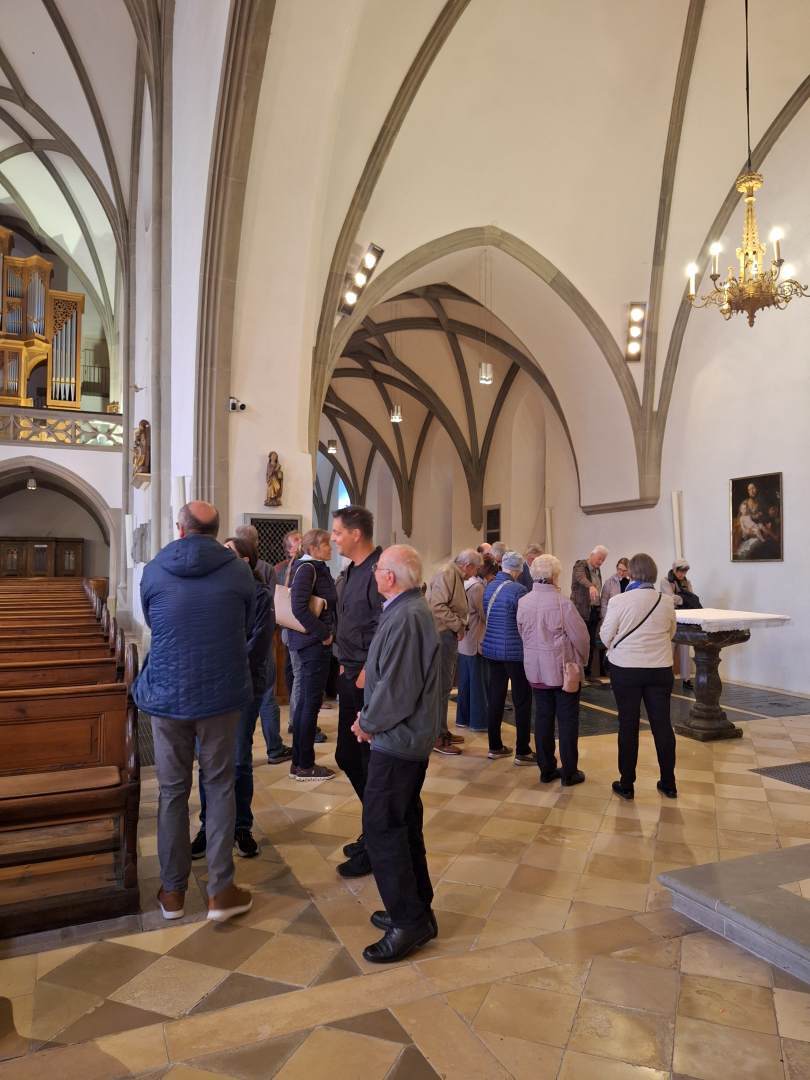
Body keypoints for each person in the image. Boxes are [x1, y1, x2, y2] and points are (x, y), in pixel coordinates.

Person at [133, 501, 254, 923]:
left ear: (180, 529)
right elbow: (245, 621)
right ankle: (221, 892)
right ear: (217, 531)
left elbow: (153, 620)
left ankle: (172, 892)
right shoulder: (238, 571)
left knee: (171, 791)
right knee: (219, 786)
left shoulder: (155, 569)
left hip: (168, 694)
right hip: (220, 694)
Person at [349, 545, 440, 963]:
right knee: (401, 823)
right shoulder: (405, 609)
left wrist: (368, 722)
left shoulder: (407, 616)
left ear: (389, 576)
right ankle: (416, 909)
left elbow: (398, 690)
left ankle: (409, 921)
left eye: (378, 569)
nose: (373, 574)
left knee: (383, 825)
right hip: (400, 736)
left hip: (398, 740)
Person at [194, 537, 271, 860]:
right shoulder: (213, 590)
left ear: (246, 560)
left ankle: (241, 826)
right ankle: (208, 825)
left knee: (239, 758)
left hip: (244, 686)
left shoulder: (260, 594)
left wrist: (228, 669)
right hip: (211, 686)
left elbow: (258, 642)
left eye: (230, 553)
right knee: (209, 759)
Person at [331, 505, 383, 878]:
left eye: (338, 532)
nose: (334, 538)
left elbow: (384, 626)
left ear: (356, 534)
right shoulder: (350, 571)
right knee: (347, 756)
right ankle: (373, 830)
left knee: (367, 762)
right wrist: (341, 659)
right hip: (348, 671)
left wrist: (367, 669)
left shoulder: (379, 571)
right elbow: (347, 620)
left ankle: (376, 841)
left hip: (367, 679)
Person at [600, 552, 678, 801]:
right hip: (660, 669)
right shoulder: (666, 601)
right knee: (662, 725)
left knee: (628, 725)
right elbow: (671, 632)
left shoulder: (619, 601)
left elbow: (605, 636)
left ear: (631, 573)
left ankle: (627, 784)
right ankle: (669, 783)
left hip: (626, 670)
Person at [517, 555, 590, 785]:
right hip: (561, 671)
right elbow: (581, 638)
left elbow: (522, 632)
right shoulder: (562, 603)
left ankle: (546, 769)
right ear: (554, 575)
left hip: (535, 669)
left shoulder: (524, 602)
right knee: (567, 721)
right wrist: (581, 661)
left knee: (543, 718)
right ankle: (569, 772)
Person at [235, 524, 292, 763]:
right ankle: (274, 747)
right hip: (262, 639)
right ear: (256, 543)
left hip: (242, 643)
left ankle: (246, 752)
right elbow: (274, 601)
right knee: (267, 694)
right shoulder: (267, 568)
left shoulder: (235, 573)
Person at [287, 528, 337, 780]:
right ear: (313, 548)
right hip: (312, 645)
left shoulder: (316, 567)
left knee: (307, 703)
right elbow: (298, 607)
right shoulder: (308, 569)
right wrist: (323, 634)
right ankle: (305, 765)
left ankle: (299, 762)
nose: (331, 547)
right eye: (326, 544)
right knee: (310, 704)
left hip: (312, 643)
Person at [481, 551, 534, 764]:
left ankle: (494, 746)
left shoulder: (489, 587)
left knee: (496, 697)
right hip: (514, 652)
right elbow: (524, 620)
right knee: (522, 700)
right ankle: (523, 750)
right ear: (518, 569)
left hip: (492, 650)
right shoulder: (518, 589)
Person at [427, 550, 481, 755]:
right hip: (441, 635)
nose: (475, 573)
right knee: (441, 686)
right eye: (475, 568)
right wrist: (458, 625)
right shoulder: (447, 573)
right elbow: (437, 606)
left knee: (445, 686)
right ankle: (437, 737)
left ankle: (442, 731)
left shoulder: (454, 574)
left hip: (446, 635)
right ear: (468, 566)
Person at [456, 559, 488, 732]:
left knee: (465, 683)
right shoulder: (477, 587)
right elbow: (484, 614)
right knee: (477, 685)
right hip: (475, 640)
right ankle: (478, 722)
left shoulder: (463, 584)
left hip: (464, 641)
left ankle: (462, 719)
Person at [571, 545, 608, 679]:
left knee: (591, 642)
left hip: (593, 611)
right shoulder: (580, 565)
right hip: (581, 611)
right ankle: (578, 672)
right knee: (581, 642)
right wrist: (591, 586)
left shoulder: (597, 570)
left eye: (603, 560)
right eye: (599, 558)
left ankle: (587, 673)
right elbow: (581, 578)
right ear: (592, 555)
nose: (600, 562)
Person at [661, 559, 697, 691]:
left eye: (685, 571)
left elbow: (692, 599)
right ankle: (667, 680)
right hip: (670, 619)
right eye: (680, 571)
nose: (682, 574)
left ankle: (686, 679)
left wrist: (681, 599)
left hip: (684, 620)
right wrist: (684, 599)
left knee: (685, 651)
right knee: (668, 651)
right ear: (674, 569)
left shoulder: (687, 582)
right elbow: (670, 599)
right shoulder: (665, 581)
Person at [599, 557, 630, 676]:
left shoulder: (631, 582)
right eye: (619, 569)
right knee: (611, 645)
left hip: (626, 619)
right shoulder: (610, 582)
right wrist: (605, 617)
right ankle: (609, 672)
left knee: (625, 645)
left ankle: (624, 671)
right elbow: (604, 601)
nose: (621, 572)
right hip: (612, 618)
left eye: (624, 570)